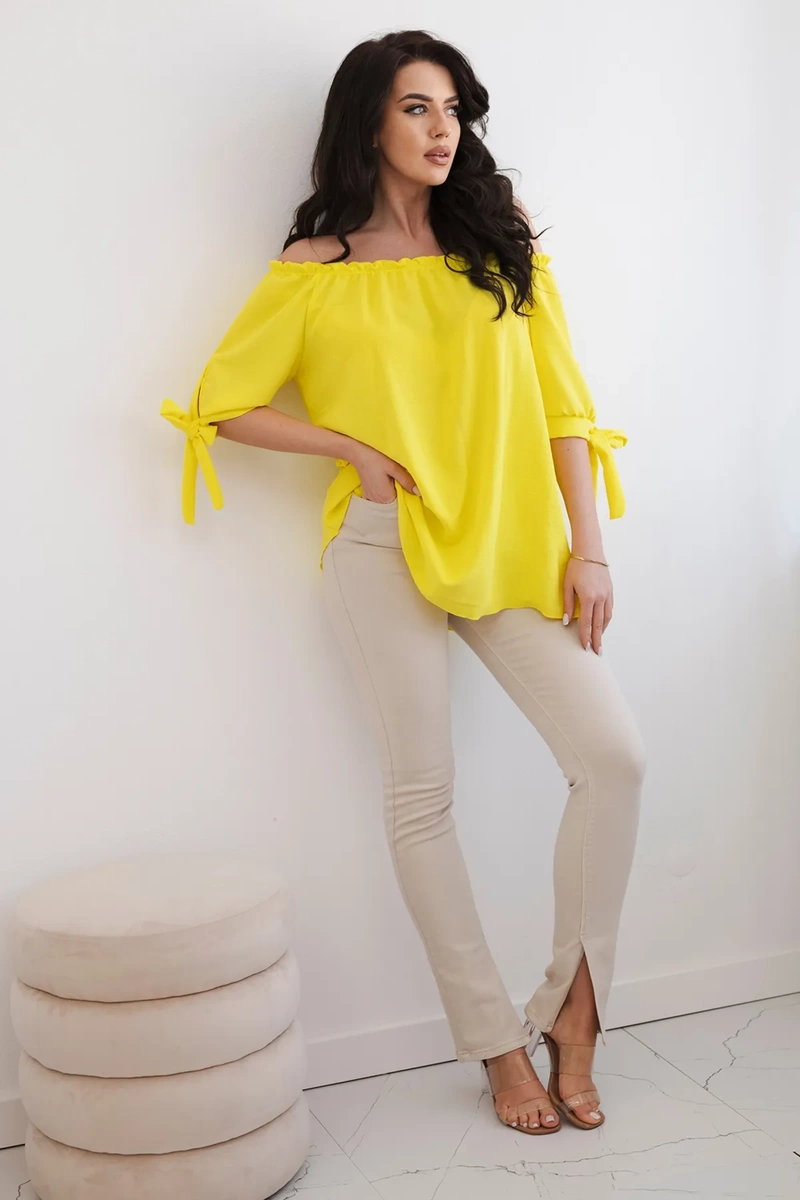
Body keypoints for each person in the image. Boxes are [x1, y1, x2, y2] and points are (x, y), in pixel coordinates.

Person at [160, 29, 646, 1135]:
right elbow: (225, 402)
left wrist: (589, 546)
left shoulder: (501, 242)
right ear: (367, 123)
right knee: (422, 799)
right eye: (418, 108)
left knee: (612, 758)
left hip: (512, 545)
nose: (443, 130)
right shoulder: (317, 266)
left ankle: (573, 1013)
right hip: (383, 547)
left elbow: (563, 404)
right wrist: (348, 449)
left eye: (454, 110)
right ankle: (493, 1045)